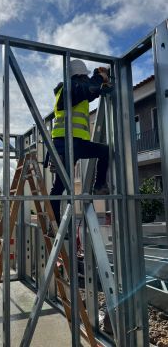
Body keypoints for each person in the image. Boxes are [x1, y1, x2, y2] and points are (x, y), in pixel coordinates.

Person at [49, 59, 111, 226]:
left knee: (59, 188)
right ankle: (54, 223)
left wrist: (101, 82)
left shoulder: (76, 92)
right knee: (59, 187)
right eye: (84, 76)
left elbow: (91, 91)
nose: (86, 79)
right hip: (65, 143)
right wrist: (98, 76)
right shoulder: (69, 88)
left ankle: (99, 185)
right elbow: (89, 88)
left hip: (74, 144)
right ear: (78, 75)